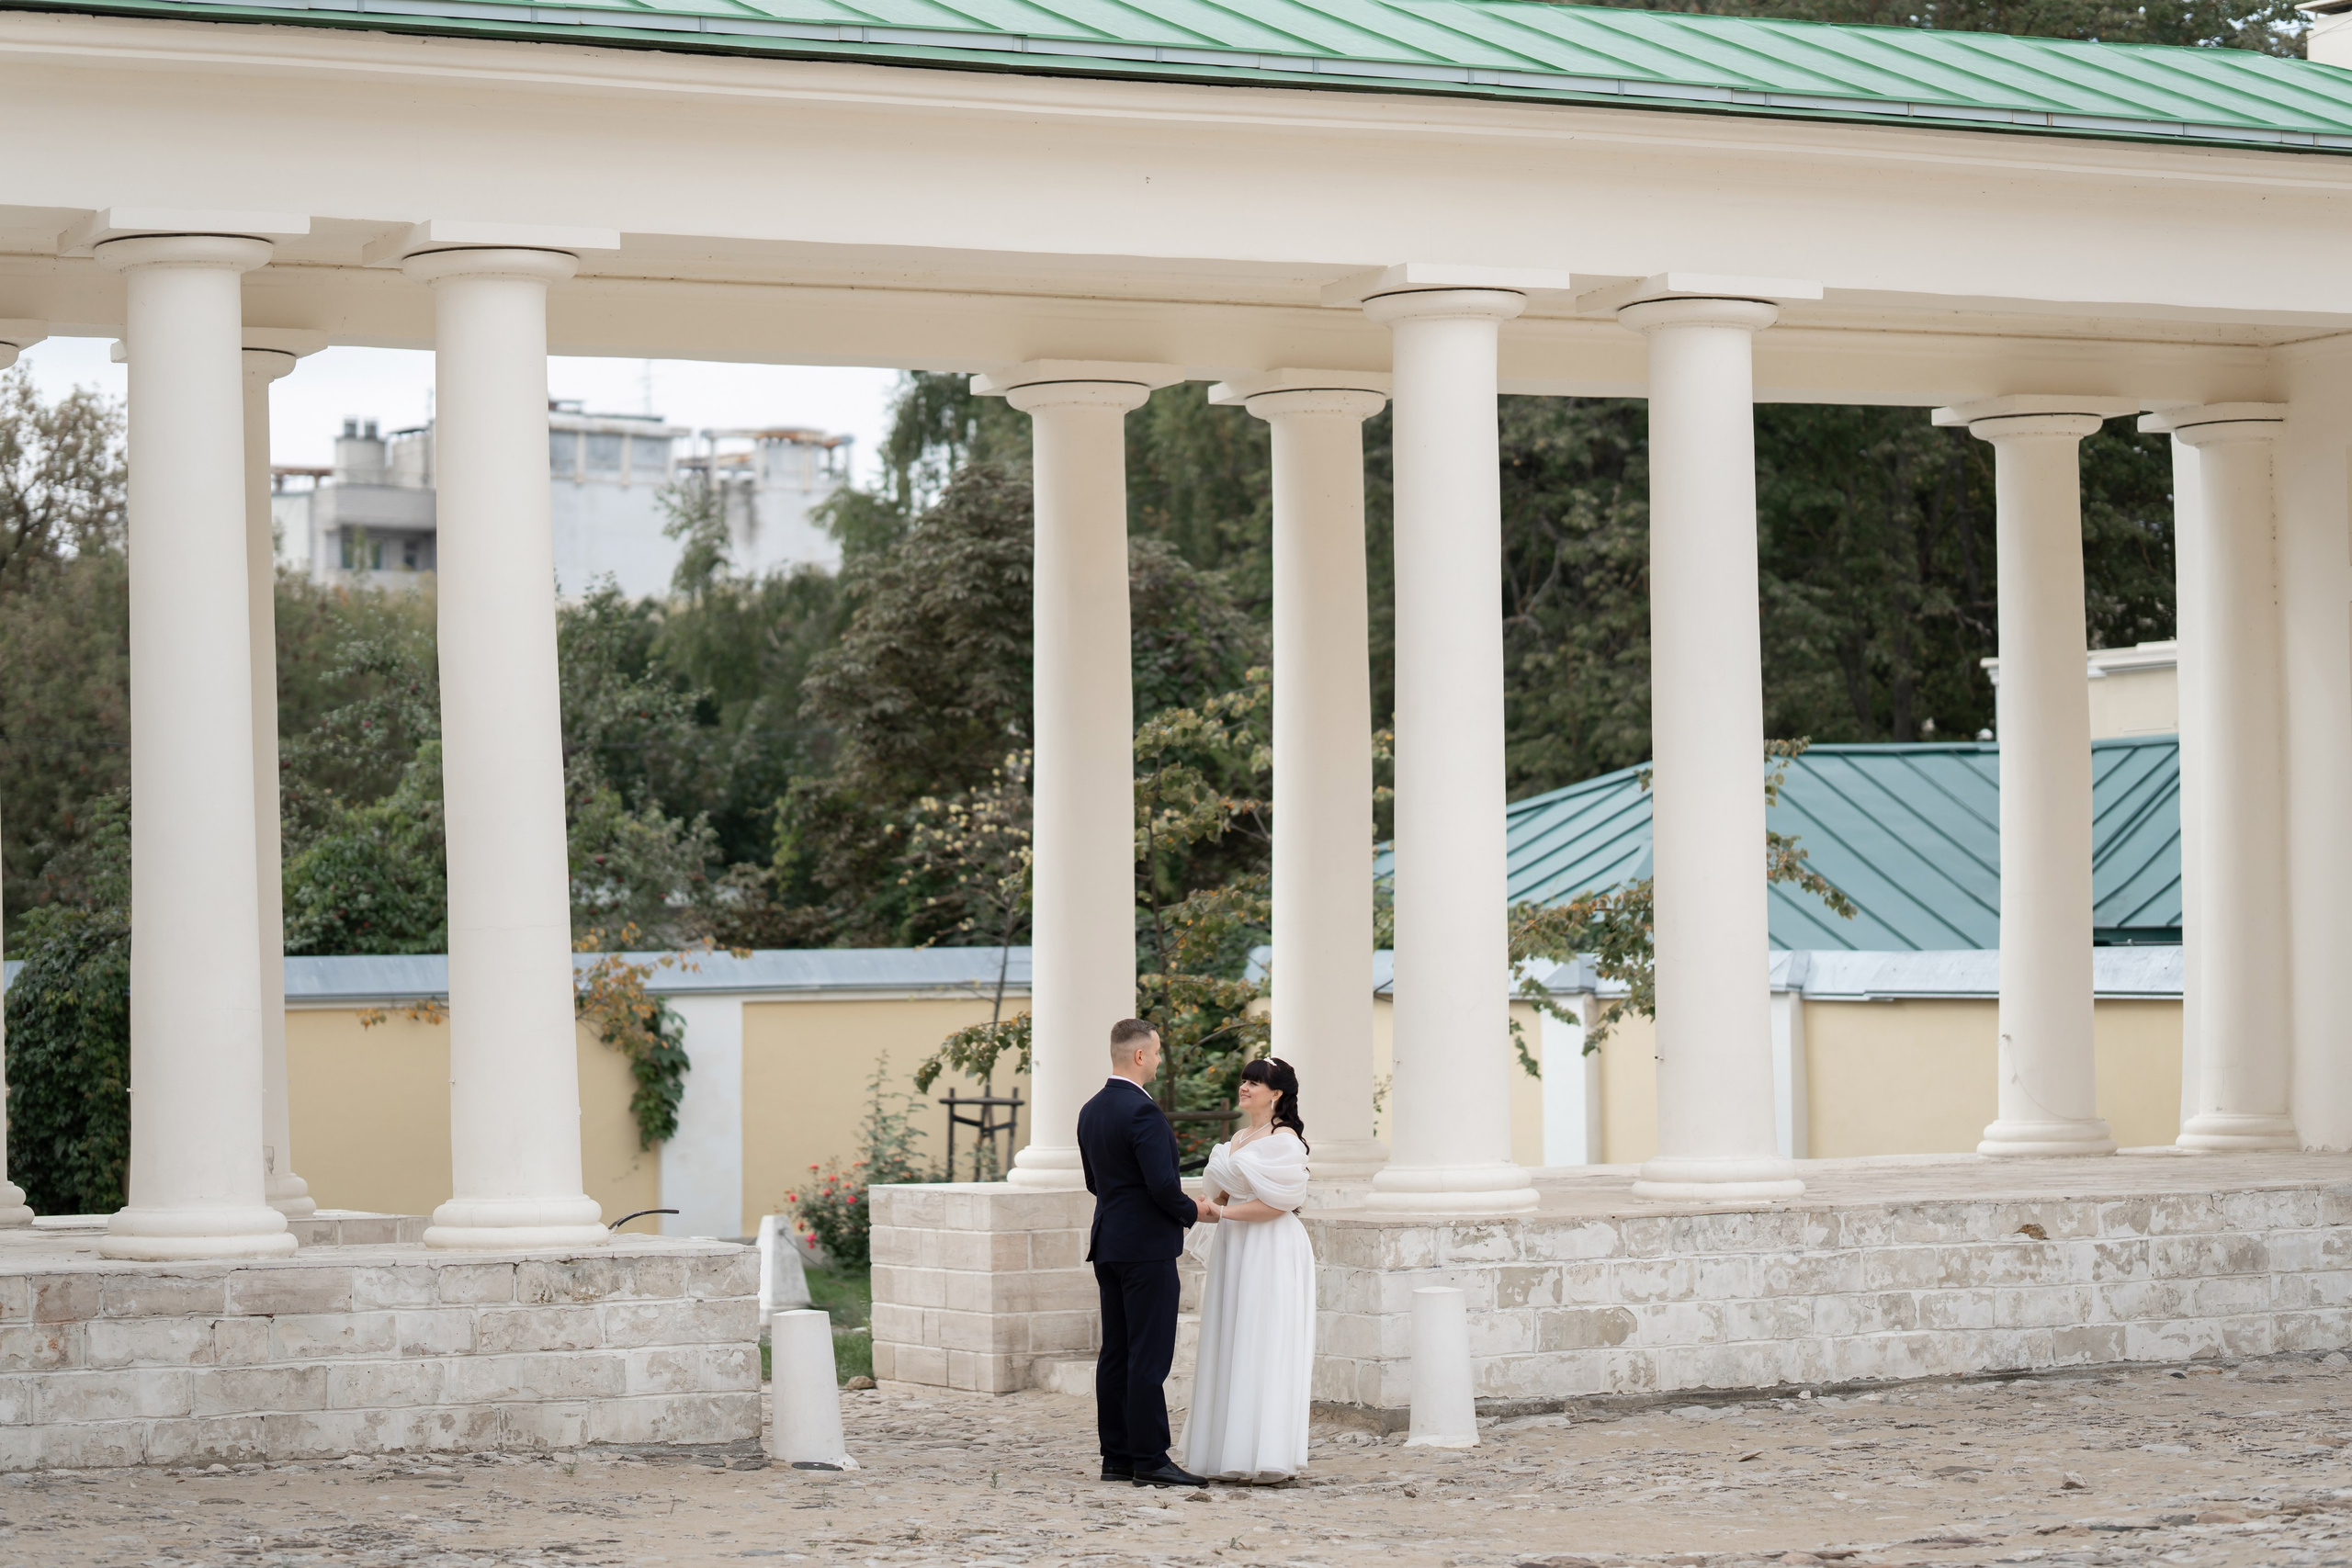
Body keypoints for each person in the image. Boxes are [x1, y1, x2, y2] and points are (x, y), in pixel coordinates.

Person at [1077, 1018, 1212, 1489]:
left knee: (1116, 1353)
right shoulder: (1143, 1112)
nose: (1157, 1060)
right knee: (1148, 1356)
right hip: (1146, 1249)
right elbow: (1162, 1186)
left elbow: (1094, 1182)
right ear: (1139, 1055)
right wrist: (1196, 1211)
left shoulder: (1091, 1109)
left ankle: (1117, 1457)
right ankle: (1151, 1458)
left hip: (1109, 1243)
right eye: (1155, 1053)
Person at [1179, 1055, 1315, 1483]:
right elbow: (1223, 1197)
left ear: (1276, 1093)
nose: (1245, 1087)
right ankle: (1227, 1452)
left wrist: (1222, 1215)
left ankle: (1268, 1454)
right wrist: (1206, 1208)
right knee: (1230, 1336)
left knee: (1264, 1339)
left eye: (1255, 1082)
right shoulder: (1239, 1137)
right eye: (1244, 1080)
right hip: (1235, 1245)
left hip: (1270, 1246)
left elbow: (1278, 1205)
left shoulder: (1284, 1139)